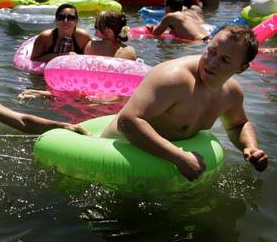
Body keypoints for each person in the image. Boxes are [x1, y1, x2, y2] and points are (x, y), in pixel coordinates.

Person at [101, 25, 268, 181]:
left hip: (162, 162)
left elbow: (237, 125)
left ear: (242, 68)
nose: (212, 62)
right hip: (118, 151)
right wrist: (178, 157)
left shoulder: (231, 94)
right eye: (211, 51)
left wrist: (250, 147)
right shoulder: (174, 79)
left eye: (225, 60)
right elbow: (127, 121)